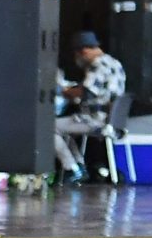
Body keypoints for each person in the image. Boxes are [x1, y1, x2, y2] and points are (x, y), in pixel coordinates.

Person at [53, 32, 125, 179]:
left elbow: (87, 92)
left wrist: (64, 90)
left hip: (96, 120)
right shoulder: (115, 63)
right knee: (64, 127)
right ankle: (78, 165)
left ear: (84, 51)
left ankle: (70, 168)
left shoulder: (97, 64)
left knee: (49, 127)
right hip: (112, 121)